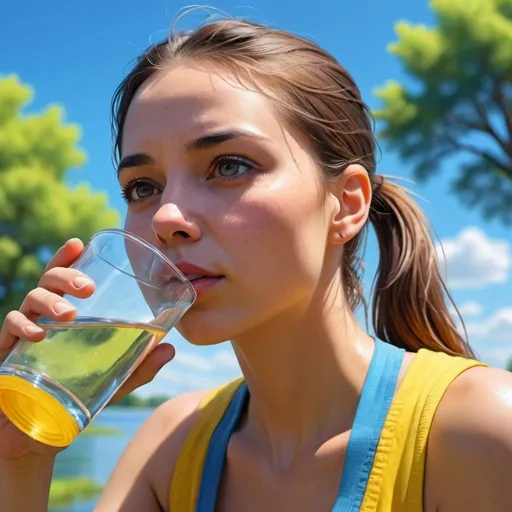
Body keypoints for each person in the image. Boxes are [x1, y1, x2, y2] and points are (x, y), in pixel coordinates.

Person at [1, 17, 512, 512]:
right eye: (143, 188)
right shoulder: (168, 447)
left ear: (348, 203)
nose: (166, 217)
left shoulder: (482, 433)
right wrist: (19, 463)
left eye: (230, 165)